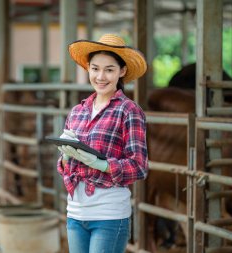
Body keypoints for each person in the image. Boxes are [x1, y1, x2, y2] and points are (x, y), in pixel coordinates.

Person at [56, 34, 148, 253]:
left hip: (109, 215)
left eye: (109, 69)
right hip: (76, 213)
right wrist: (66, 157)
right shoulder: (77, 112)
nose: (100, 76)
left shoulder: (129, 111)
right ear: (88, 68)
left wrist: (103, 165)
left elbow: (139, 166)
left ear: (122, 71)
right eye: (95, 68)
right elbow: (66, 168)